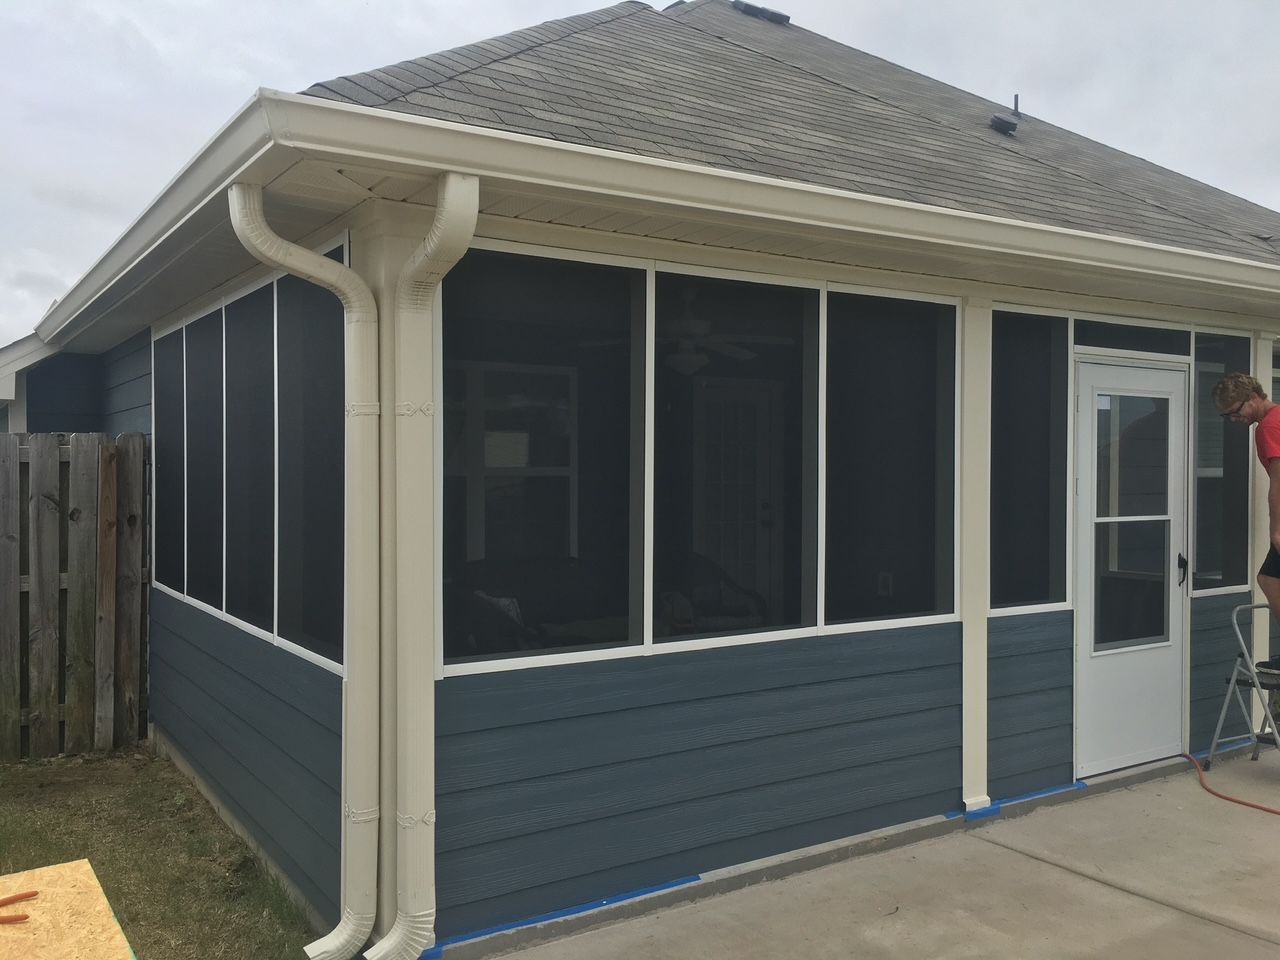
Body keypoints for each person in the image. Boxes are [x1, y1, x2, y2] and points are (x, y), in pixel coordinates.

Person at [1213, 372, 1280, 618]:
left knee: (1270, 580)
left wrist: (1276, 530)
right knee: (1269, 578)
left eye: (1236, 410)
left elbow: (1278, 482)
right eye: (1227, 415)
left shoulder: (1270, 426)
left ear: (1253, 397)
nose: (1233, 419)